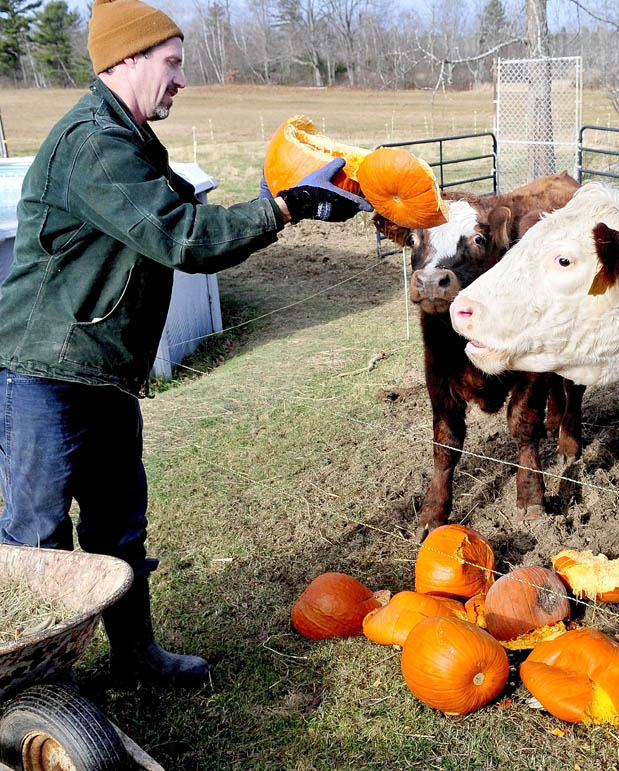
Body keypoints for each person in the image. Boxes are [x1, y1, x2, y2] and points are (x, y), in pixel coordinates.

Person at [0, 0, 370, 687]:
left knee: (116, 526)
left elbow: (192, 218)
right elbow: (182, 238)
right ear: (125, 62)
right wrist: (284, 207)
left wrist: (280, 196)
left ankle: (135, 657)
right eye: (170, 63)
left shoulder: (131, 138)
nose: (180, 79)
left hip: (102, 370)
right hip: (43, 372)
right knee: (36, 535)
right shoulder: (94, 143)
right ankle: (35, 686)